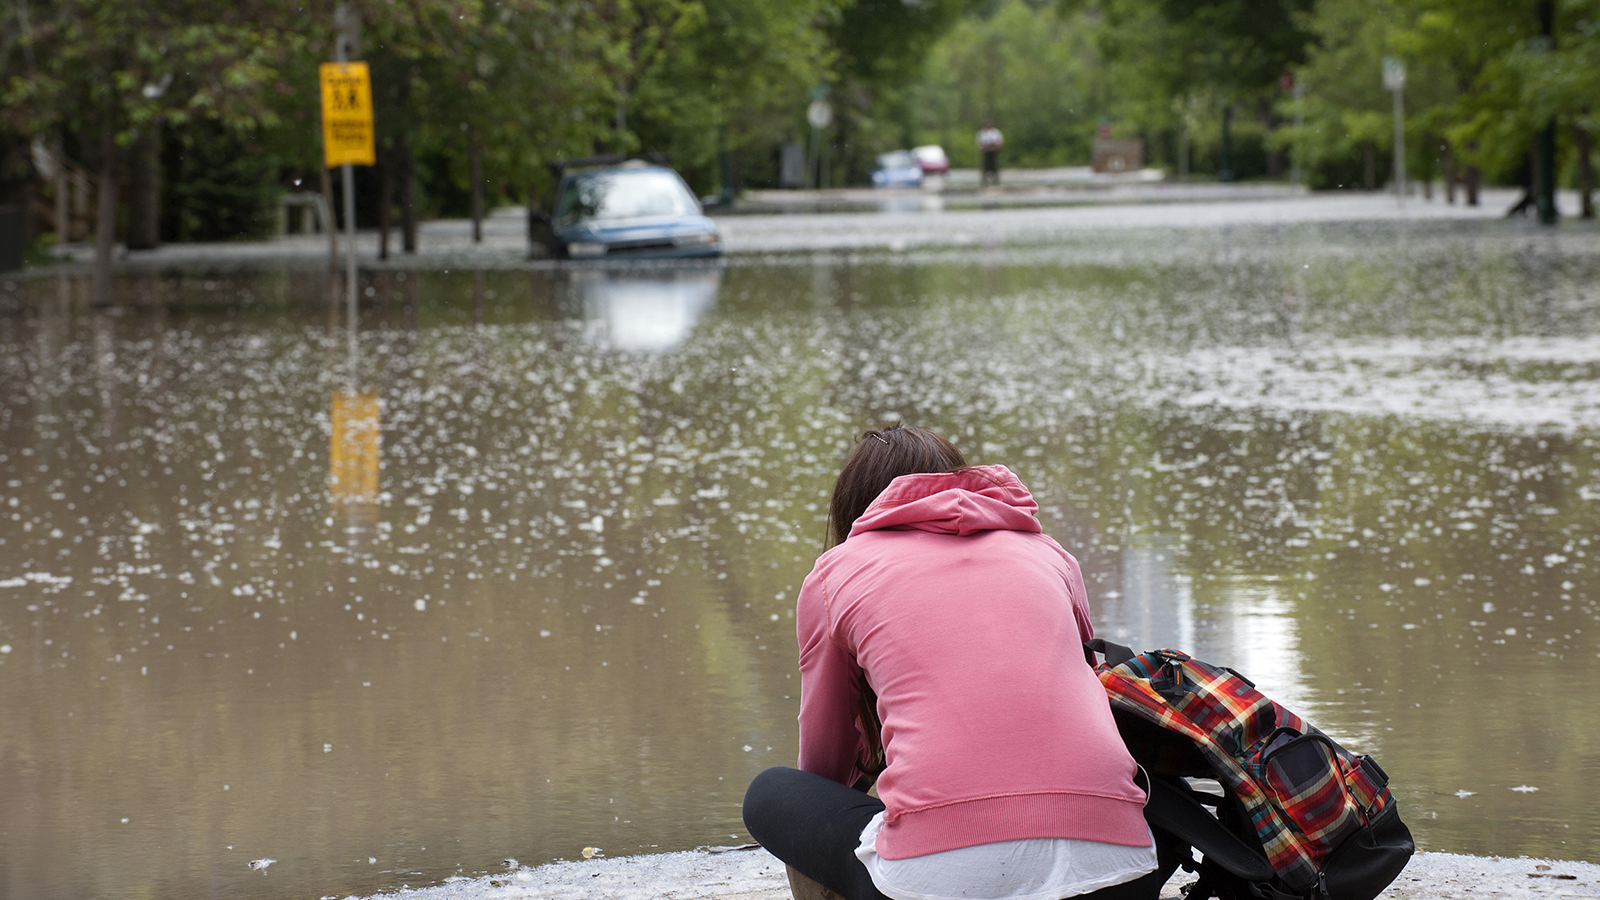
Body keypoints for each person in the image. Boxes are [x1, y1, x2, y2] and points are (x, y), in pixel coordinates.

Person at [744, 425, 1170, 900]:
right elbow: (1087, 692)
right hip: (1120, 874)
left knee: (772, 792)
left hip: (939, 886)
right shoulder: (1051, 555)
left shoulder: (836, 572)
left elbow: (825, 764)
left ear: (855, 506)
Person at [977, 121, 1004, 187]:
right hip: (986, 151)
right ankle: (985, 176)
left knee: (994, 163)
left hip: (994, 151)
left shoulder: (996, 132)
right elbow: (979, 143)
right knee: (985, 163)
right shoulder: (982, 133)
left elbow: (1000, 142)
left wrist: (995, 147)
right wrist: (984, 147)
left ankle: (995, 176)